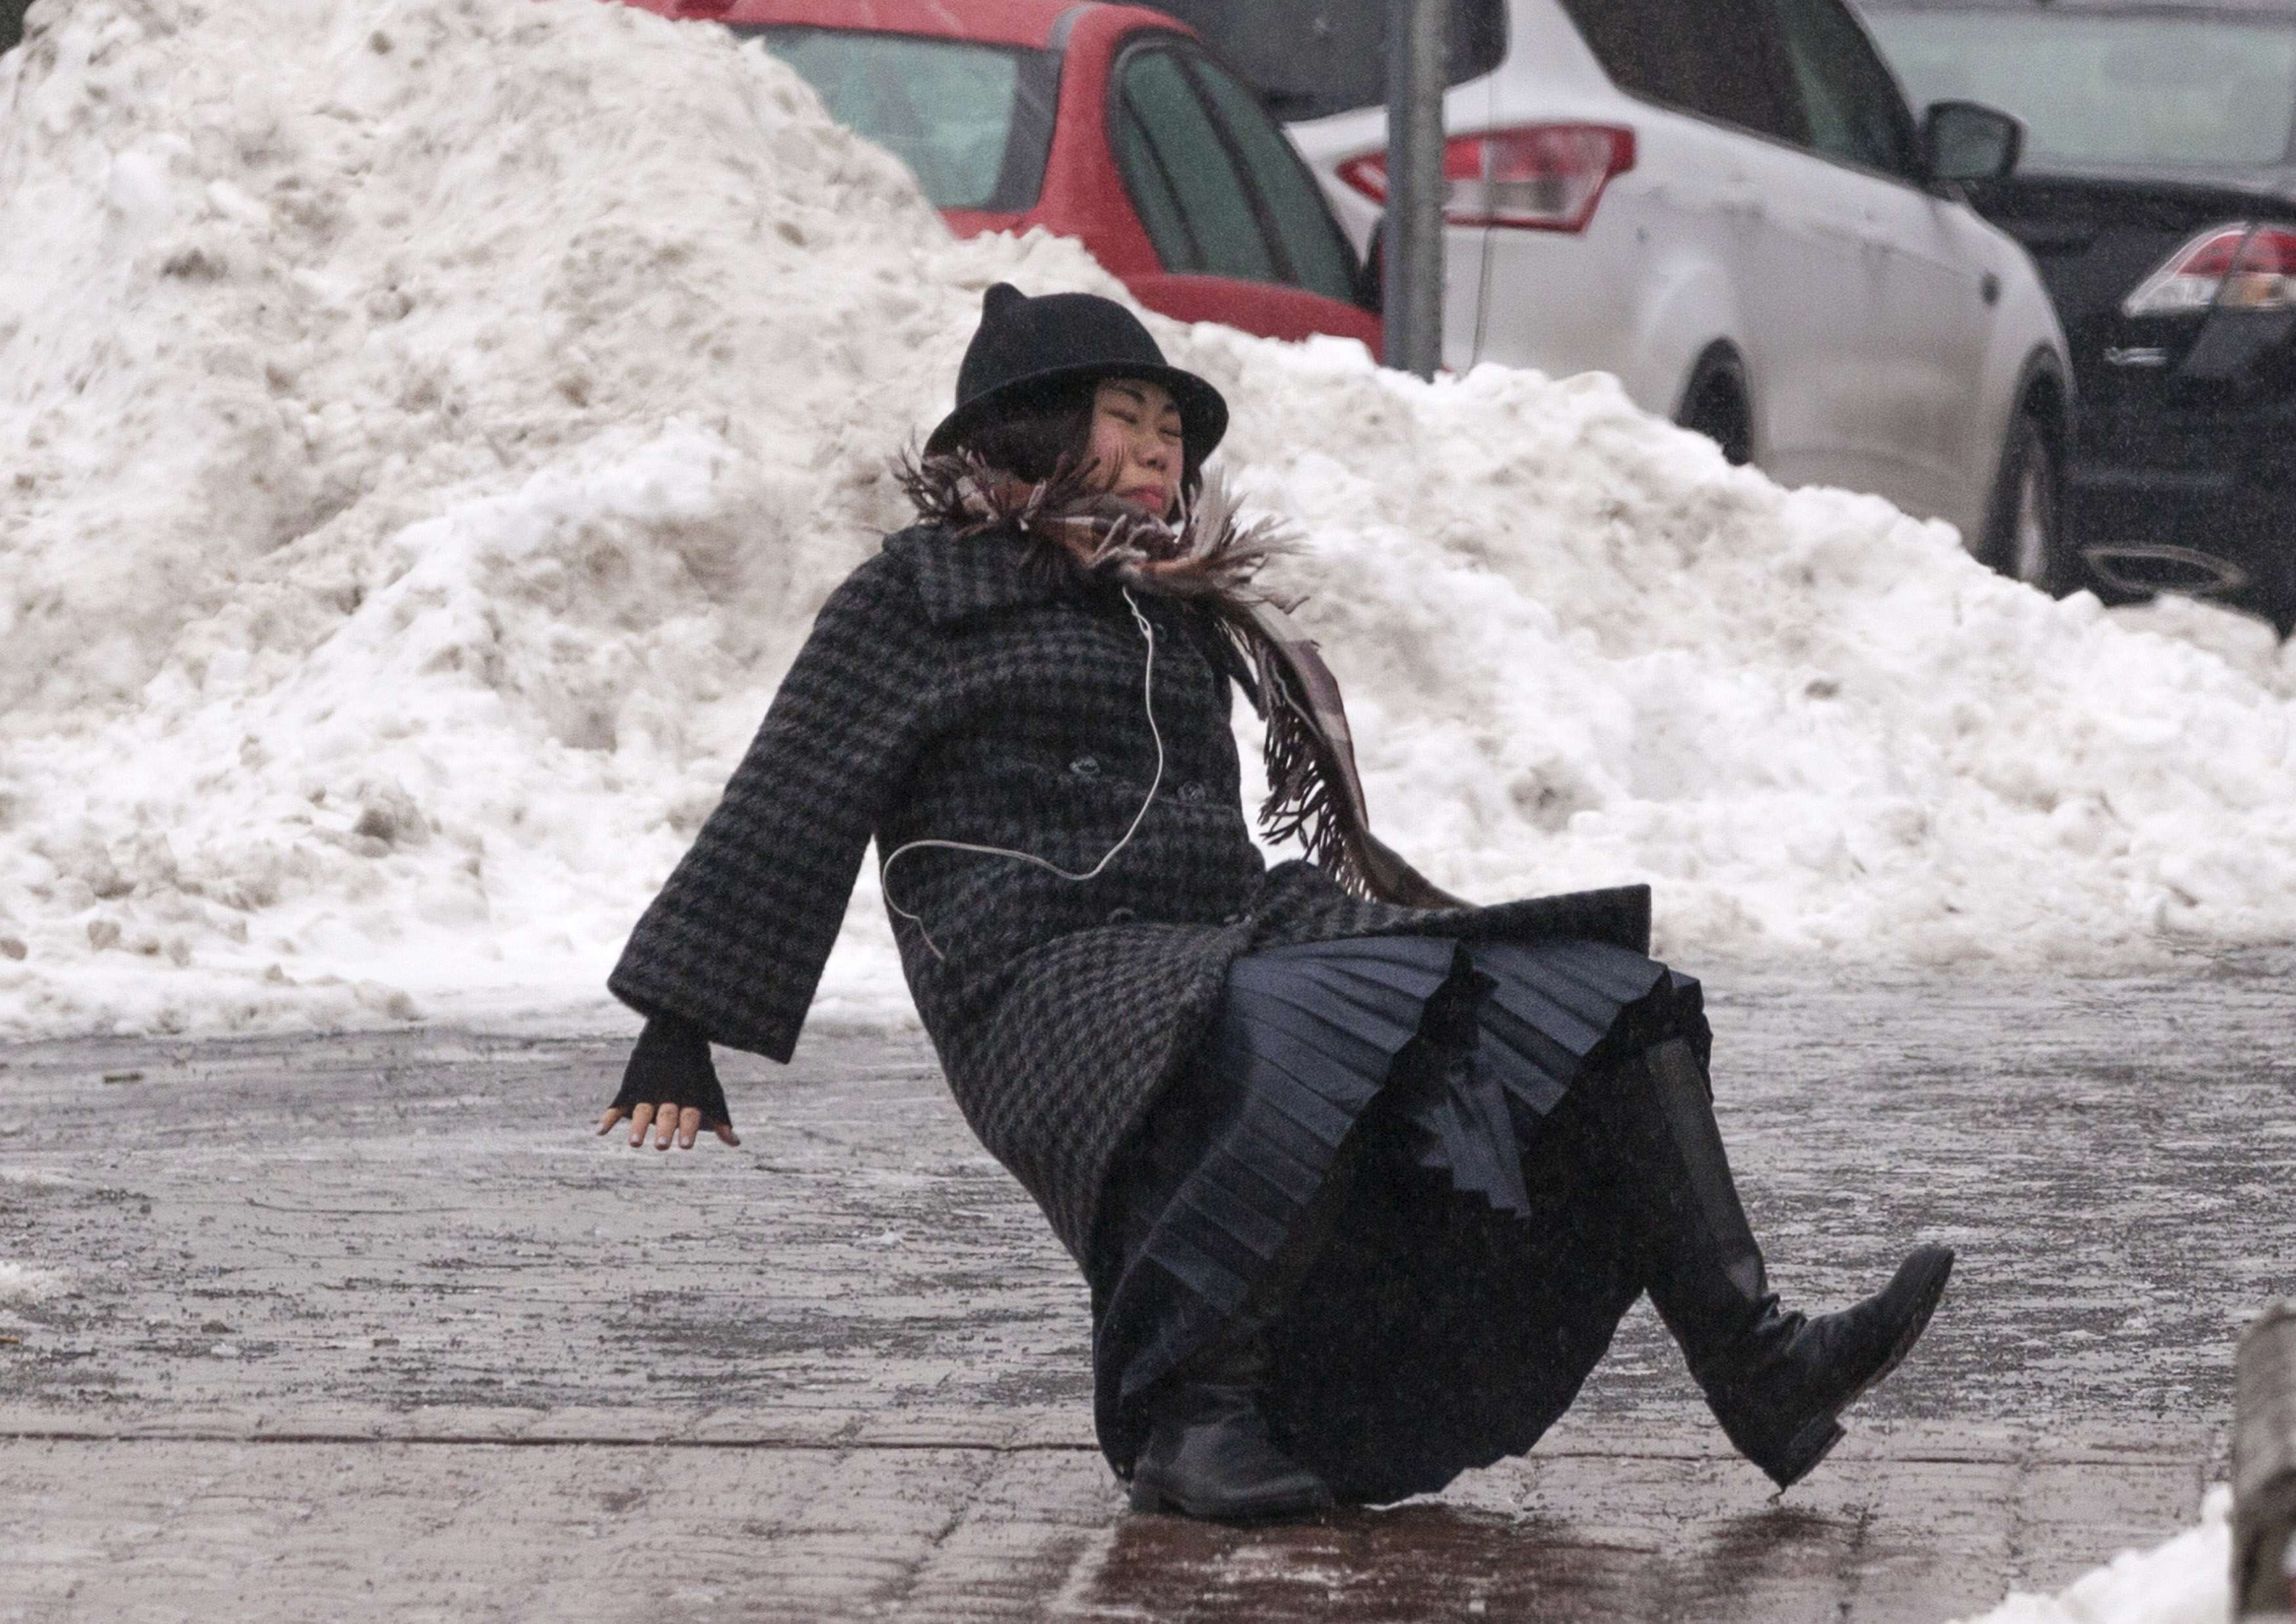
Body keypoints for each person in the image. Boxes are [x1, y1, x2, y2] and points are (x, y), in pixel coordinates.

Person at [596, 283, 1955, 1522]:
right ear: (1033, 430)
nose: (1159, 448)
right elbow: (793, 791)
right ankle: (1190, 1419)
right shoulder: (919, 593)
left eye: (1171, 427)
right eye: (1123, 418)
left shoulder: (1178, 608)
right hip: (1039, 975)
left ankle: (1760, 1361)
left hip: (1218, 948)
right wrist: (682, 1024)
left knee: (1595, 990)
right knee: (1309, 1017)